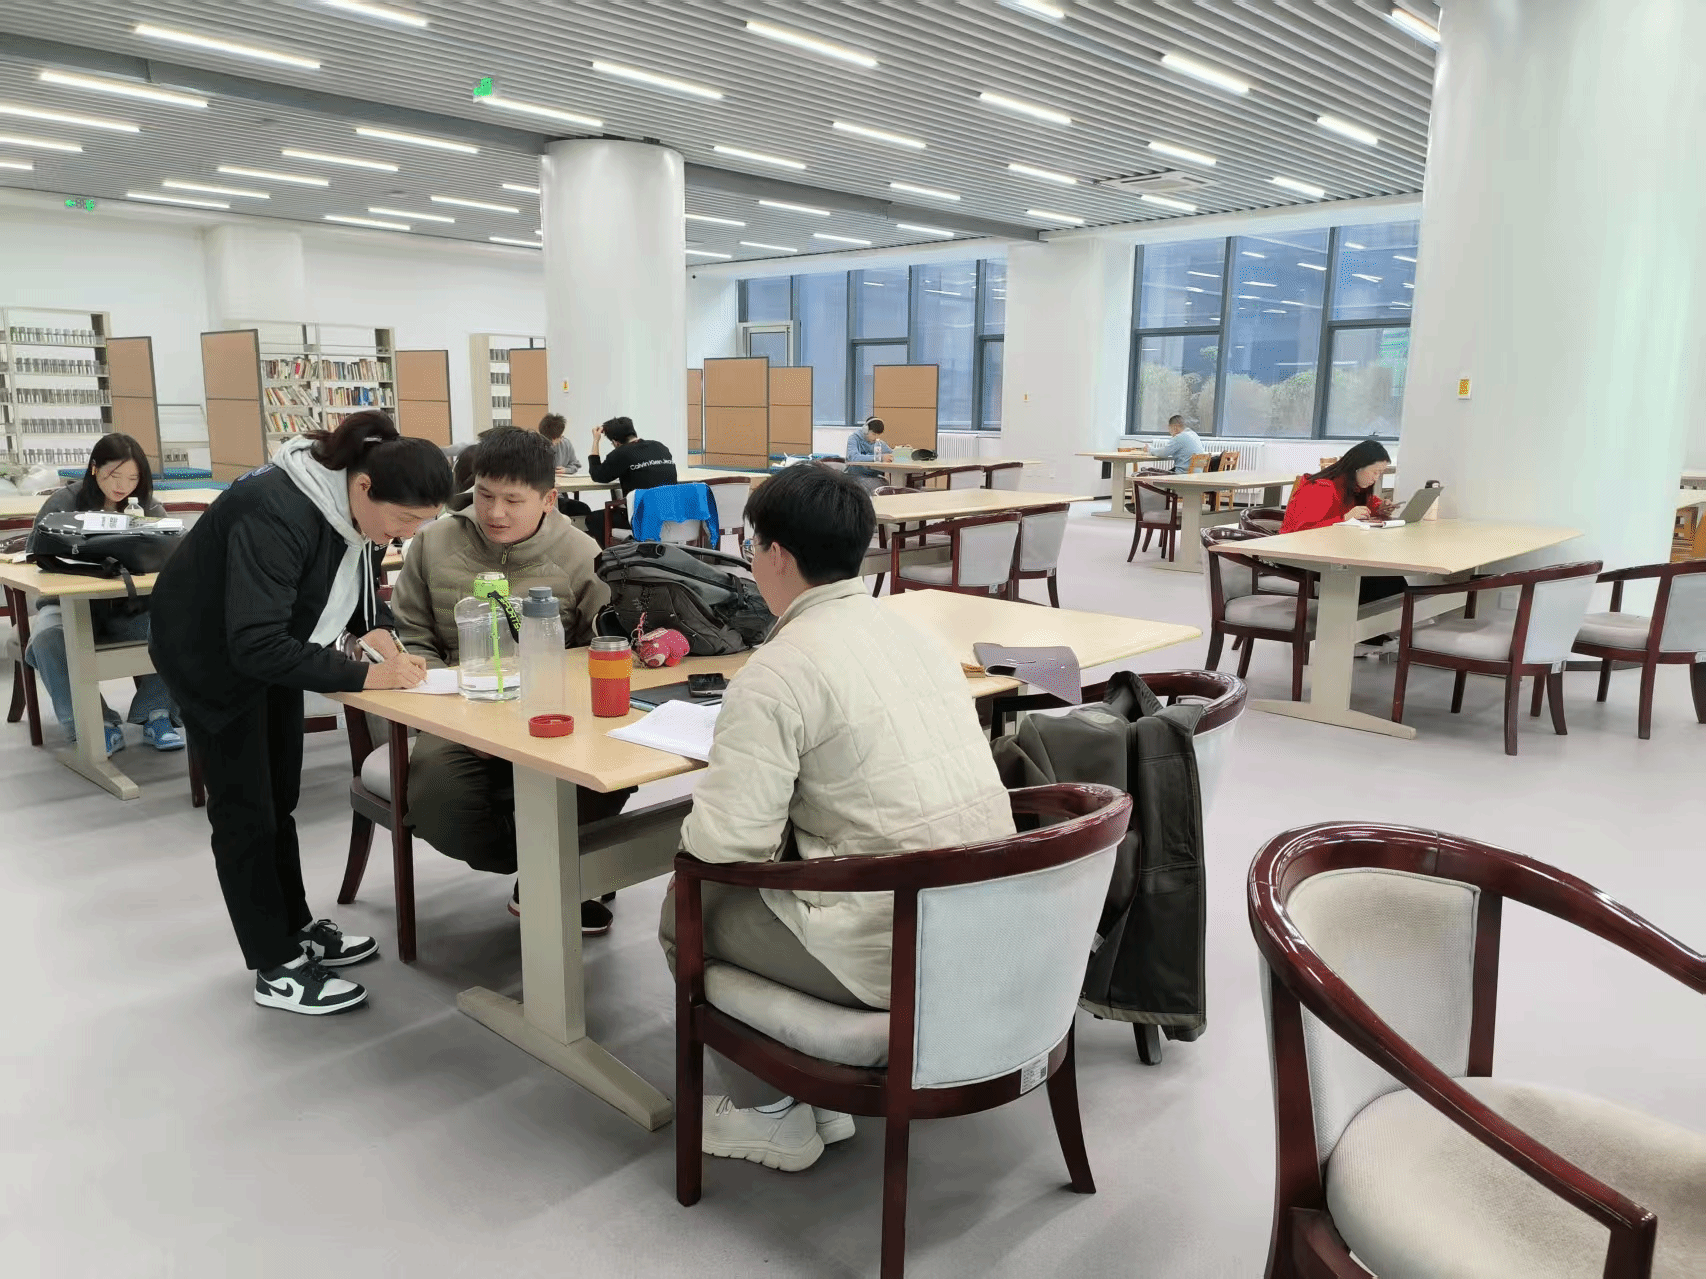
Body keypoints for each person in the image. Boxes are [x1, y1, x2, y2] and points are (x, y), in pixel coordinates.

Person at [658, 464, 1016, 1172]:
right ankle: (808, 1094)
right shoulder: (914, 635)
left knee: (686, 909)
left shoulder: (777, 670)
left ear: (777, 555)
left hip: (893, 942)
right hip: (985, 918)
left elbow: (726, 848)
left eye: (751, 545)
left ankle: (775, 1115)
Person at [149, 411, 452, 1016]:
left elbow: (356, 578)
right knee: (245, 811)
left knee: (278, 797)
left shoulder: (352, 506)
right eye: (405, 520)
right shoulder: (277, 510)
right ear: (364, 487)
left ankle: (294, 928)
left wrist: (381, 636)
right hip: (213, 659)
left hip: (277, 651)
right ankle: (274, 964)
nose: (407, 535)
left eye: (422, 523)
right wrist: (366, 674)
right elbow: (253, 642)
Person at [392, 428, 628, 933]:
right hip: (458, 709)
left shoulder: (580, 553)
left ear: (548, 499)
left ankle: (553, 876)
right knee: (438, 799)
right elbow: (410, 635)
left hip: (552, 710)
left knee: (613, 766)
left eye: (512, 501)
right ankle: (549, 871)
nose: (494, 513)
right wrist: (457, 713)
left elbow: (600, 643)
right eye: (484, 495)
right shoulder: (433, 543)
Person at [24, 433, 182, 753]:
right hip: (67, 604)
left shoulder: (147, 506)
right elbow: (34, 554)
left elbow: (173, 552)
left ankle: (157, 713)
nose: (123, 486)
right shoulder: (63, 502)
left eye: (133, 478)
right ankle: (95, 723)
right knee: (47, 639)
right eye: (114, 475)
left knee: (180, 627)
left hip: (130, 606)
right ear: (95, 468)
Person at [1279, 439, 1404, 621]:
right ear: (1357, 468)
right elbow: (1301, 533)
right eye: (1375, 472)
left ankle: (1378, 630)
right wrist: (1344, 518)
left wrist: (1379, 507)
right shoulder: (1322, 487)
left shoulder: (1352, 486)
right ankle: (1360, 630)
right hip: (1301, 556)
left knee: (1388, 577)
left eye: (1380, 473)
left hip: (1331, 552)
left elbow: (1367, 503)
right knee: (1378, 580)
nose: (1376, 478)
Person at [586, 415, 676, 543]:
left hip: (642, 519)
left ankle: (615, 554)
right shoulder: (661, 447)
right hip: (671, 515)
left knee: (594, 518)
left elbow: (597, 475)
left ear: (616, 442)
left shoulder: (620, 453)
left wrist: (596, 440)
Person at [844, 416, 890, 486]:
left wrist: (903, 450)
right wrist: (879, 458)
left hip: (873, 476)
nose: (876, 437)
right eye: (874, 434)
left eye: (878, 435)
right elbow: (854, 457)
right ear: (865, 430)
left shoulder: (878, 443)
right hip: (855, 476)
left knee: (886, 484)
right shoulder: (853, 439)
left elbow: (892, 453)